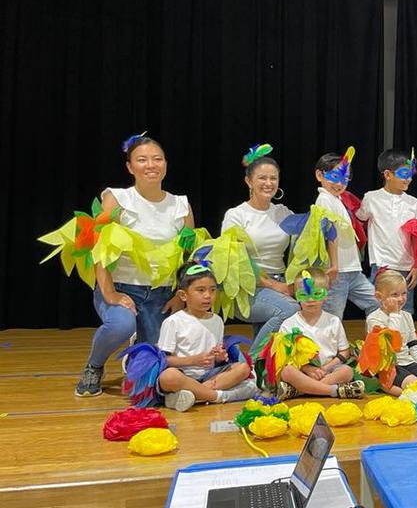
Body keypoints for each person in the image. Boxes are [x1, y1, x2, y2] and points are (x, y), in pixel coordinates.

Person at [76, 132, 194, 397]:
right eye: (142, 160)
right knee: (121, 325)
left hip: (161, 296)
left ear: (165, 163)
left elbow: (188, 257)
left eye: (157, 159)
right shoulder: (117, 198)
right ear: (130, 167)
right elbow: (101, 249)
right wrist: (110, 293)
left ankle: (136, 354)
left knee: (150, 380)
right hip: (123, 288)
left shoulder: (181, 205)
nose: (150, 165)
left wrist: (180, 295)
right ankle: (94, 366)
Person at [221, 144, 298, 350]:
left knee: (276, 338)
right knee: (289, 311)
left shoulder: (283, 213)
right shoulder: (236, 215)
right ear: (249, 181)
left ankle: (260, 377)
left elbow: (303, 247)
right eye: (262, 178)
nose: (268, 183)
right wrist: (275, 286)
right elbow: (235, 262)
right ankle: (250, 364)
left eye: (273, 178)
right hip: (249, 288)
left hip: (281, 281)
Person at [157, 262, 256, 412]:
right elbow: (165, 360)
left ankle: (194, 395)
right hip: (183, 376)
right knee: (168, 377)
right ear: (183, 295)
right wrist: (193, 360)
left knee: (242, 368)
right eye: (200, 290)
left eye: (212, 290)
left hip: (210, 377)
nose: (207, 296)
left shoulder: (216, 320)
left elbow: (214, 357)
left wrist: (220, 357)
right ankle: (217, 396)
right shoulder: (173, 322)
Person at [275, 269, 364, 399]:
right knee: (287, 371)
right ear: (296, 295)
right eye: (304, 295)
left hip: (329, 371)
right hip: (302, 371)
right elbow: (286, 357)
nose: (310, 299)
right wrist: (308, 369)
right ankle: (334, 390)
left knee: (347, 371)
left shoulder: (333, 321)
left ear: (326, 295)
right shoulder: (288, 324)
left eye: (317, 294)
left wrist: (325, 368)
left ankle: (300, 390)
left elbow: (344, 352)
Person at [314, 148, 377, 319]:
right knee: (332, 316)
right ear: (320, 175)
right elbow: (330, 232)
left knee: (377, 303)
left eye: (345, 178)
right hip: (338, 271)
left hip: (352, 270)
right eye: (335, 177)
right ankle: (328, 346)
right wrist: (333, 265)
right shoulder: (325, 200)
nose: (340, 183)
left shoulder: (337, 200)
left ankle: (373, 343)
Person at [356, 150, 417, 314]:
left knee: (403, 311)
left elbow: (416, 236)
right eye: (403, 174)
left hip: (406, 267)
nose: (408, 178)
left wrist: (416, 265)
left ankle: (402, 340)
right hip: (381, 265)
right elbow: (359, 221)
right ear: (387, 174)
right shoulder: (371, 198)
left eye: (411, 173)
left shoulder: (413, 203)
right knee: (377, 310)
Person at [365, 270, 417, 396]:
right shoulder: (374, 319)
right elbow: (392, 343)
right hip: (388, 365)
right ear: (379, 297)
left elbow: (413, 344)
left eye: (404, 293)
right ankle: (384, 386)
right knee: (416, 388)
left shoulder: (407, 316)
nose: (400, 298)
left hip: (407, 362)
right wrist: (394, 314)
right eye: (394, 294)